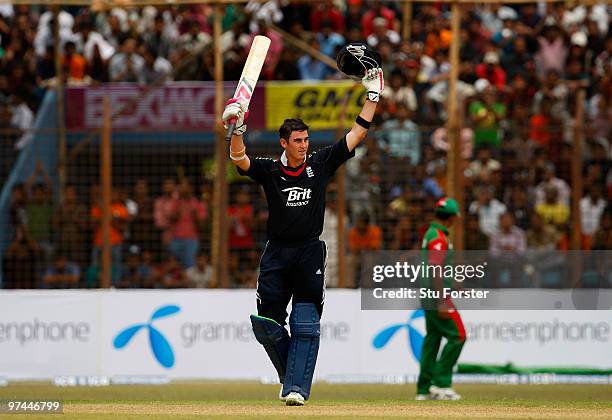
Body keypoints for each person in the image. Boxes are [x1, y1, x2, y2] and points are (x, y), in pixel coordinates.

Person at [222, 65, 384, 406]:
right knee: (266, 324)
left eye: (306, 139)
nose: (304, 145)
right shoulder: (270, 169)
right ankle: (290, 377)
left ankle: (296, 389)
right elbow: (239, 158)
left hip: (309, 252)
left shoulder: (320, 163)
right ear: (284, 143)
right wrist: (237, 129)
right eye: (298, 141)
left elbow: (356, 135)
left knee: (306, 323)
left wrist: (372, 97)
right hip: (277, 253)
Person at [416, 197, 465, 401]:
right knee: (458, 335)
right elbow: (436, 268)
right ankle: (441, 383)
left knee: (433, 338)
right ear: (452, 218)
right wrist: (442, 298)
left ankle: (424, 388)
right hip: (436, 295)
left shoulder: (431, 233)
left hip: (428, 294)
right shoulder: (438, 236)